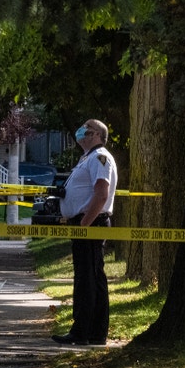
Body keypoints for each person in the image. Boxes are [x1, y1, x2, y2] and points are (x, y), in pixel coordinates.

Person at [53, 119, 118, 346]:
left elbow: (101, 194)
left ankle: (82, 332)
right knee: (91, 276)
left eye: (86, 129)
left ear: (97, 135)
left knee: (87, 280)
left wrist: (84, 225)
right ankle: (93, 332)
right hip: (86, 223)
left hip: (91, 224)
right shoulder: (88, 158)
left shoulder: (100, 158)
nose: (81, 131)